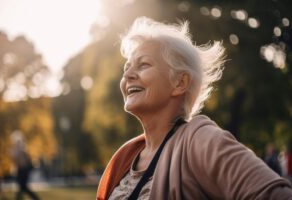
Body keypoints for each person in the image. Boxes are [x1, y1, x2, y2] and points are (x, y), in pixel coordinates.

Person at [97, 17, 292, 199]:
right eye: (127, 67)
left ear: (180, 83)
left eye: (143, 65)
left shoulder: (200, 140)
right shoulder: (124, 158)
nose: (128, 75)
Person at [11, 135, 39, 200]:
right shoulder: (17, 151)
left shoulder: (23, 151)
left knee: (23, 187)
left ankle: (35, 198)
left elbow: (26, 161)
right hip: (19, 171)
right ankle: (35, 198)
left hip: (24, 171)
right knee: (22, 187)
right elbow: (16, 162)